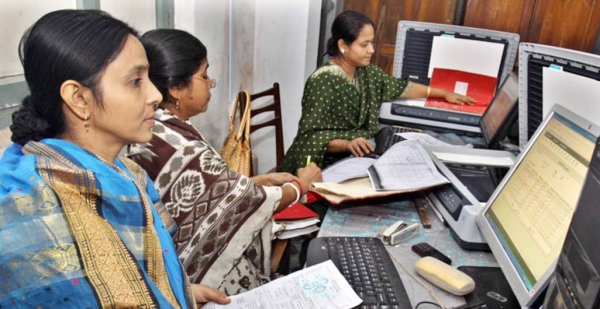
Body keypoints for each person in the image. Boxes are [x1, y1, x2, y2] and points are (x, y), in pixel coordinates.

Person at [0, 10, 230, 308]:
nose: (154, 95)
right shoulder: (45, 212)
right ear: (79, 98)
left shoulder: (125, 171)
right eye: (135, 80)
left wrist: (179, 293)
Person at [127, 29, 322, 295]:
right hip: (199, 278)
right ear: (175, 88)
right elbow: (242, 202)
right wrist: (302, 185)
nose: (211, 83)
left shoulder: (159, 128)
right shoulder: (178, 143)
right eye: (204, 75)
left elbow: (205, 194)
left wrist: (257, 180)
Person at [281, 10, 476, 174]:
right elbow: (310, 137)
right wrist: (346, 144)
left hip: (353, 155)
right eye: (364, 44)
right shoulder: (323, 81)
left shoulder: (367, 73)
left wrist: (441, 93)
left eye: (372, 43)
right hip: (318, 166)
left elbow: (402, 87)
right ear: (343, 46)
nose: (371, 50)